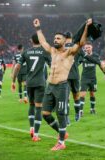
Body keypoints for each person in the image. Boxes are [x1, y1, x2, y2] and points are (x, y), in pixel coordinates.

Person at [33, 18, 92, 151]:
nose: (55, 40)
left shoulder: (69, 53)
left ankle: (61, 142)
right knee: (45, 113)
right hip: (50, 86)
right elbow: (42, 41)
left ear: (65, 41)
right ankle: (62, 133)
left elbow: (81, 43)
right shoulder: (53, 51)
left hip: (61, 86)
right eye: (55, 38)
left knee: (61, 114)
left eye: (58, 38)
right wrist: (38, 28)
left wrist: (86, 28)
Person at [11, 34, 50, 142]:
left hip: (29, 83)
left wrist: (13, 81)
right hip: (40, 83)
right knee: (38, 108)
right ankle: (36, 135)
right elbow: (52, 66)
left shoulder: (26, 52)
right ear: (41, 41)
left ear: (31, 41)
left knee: (31, 105)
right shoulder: (44, 52)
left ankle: (31, 128)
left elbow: (17, 67)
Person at [79, 41, 105, 115]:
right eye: (86, 48)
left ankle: (92, 109)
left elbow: (100, 65)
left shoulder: (96, 55)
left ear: (91, 47)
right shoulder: (82, 56)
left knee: (92, 94)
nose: (87, 49)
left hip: (93, 78)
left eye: (88, 47)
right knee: (82, 94)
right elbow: (77, 64)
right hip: (84, 78)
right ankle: (80, 111)